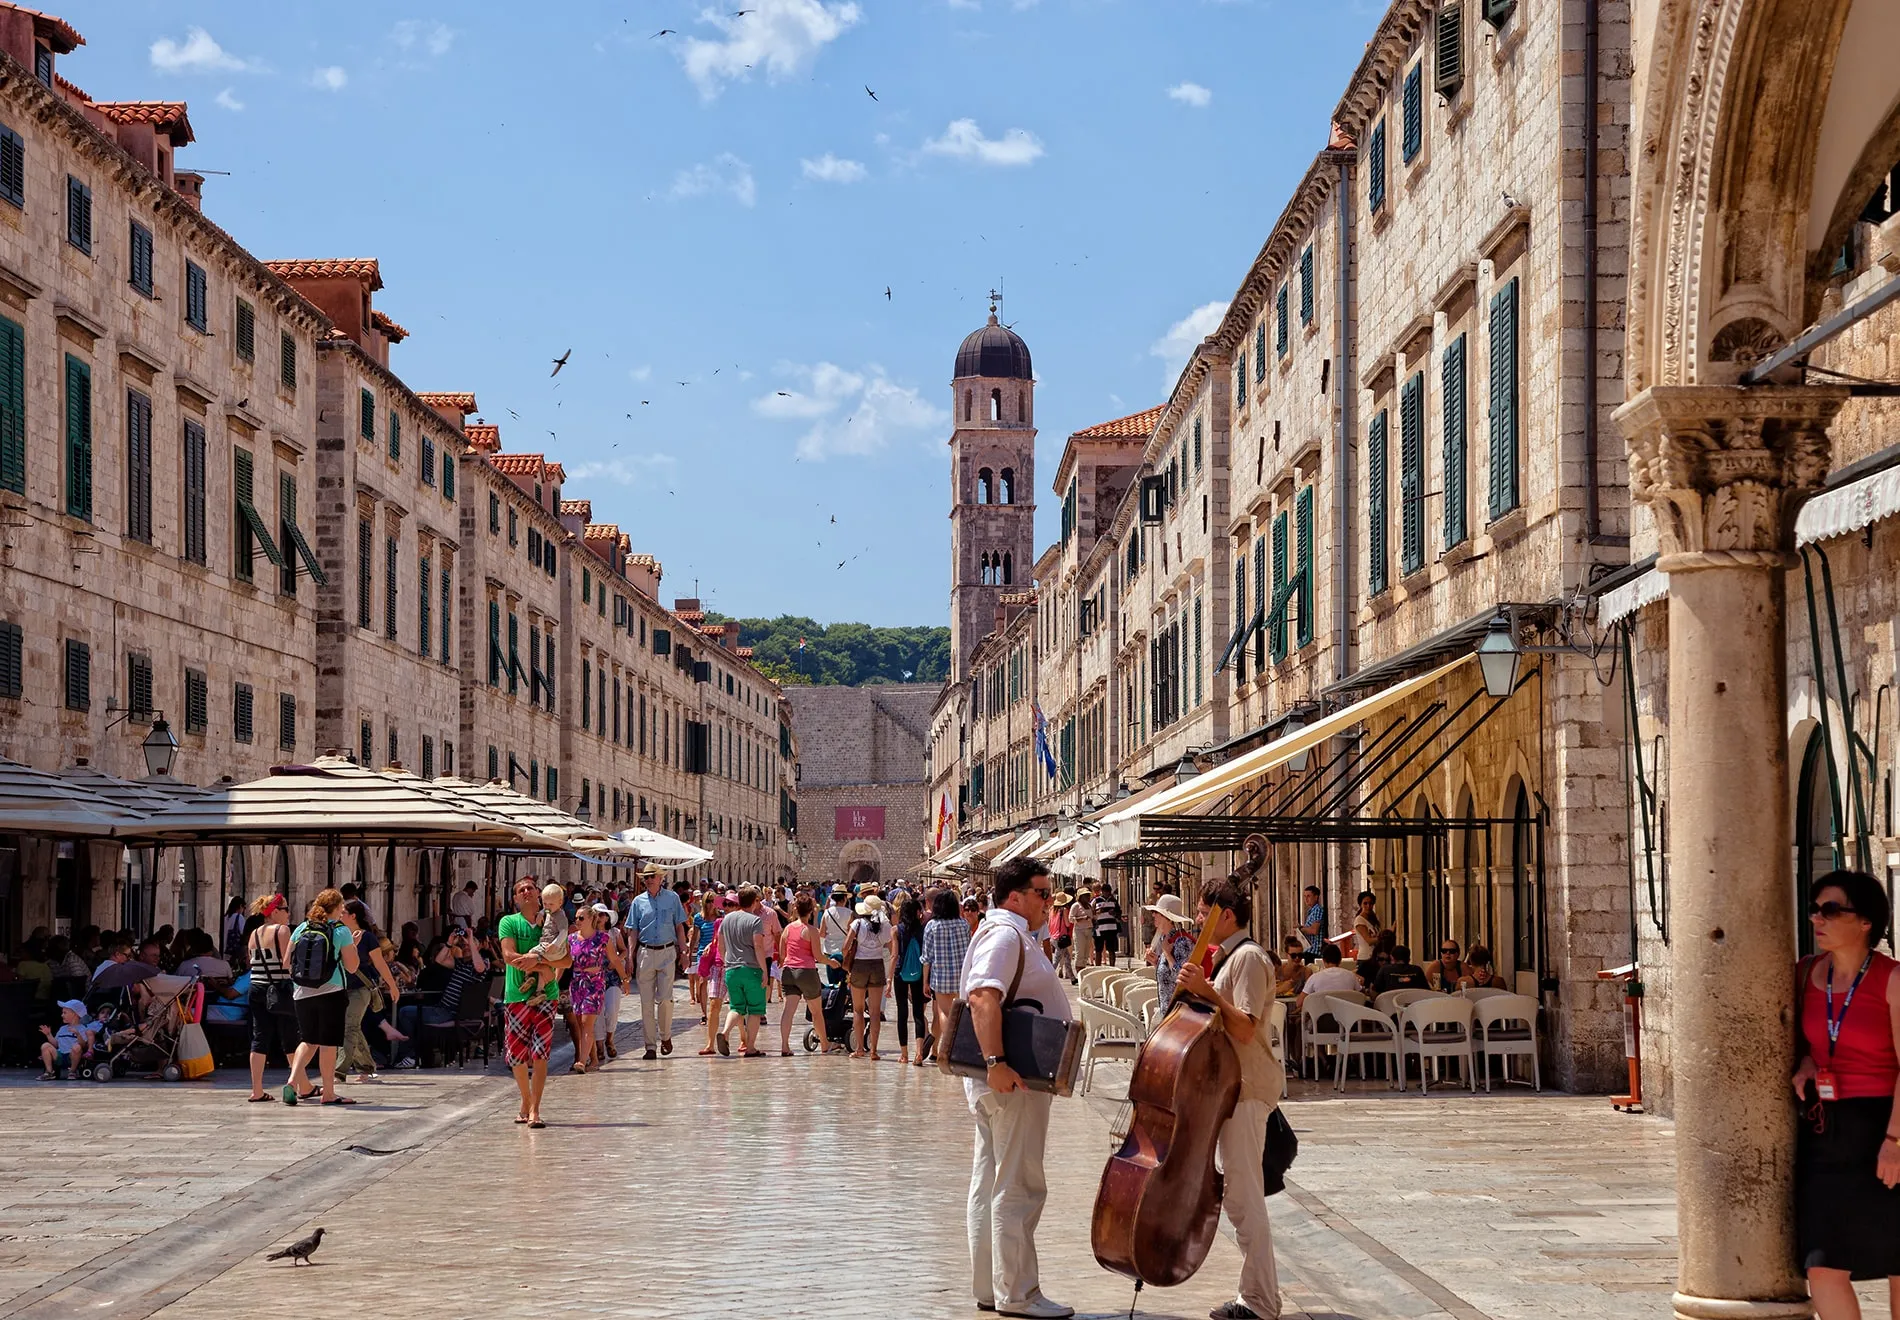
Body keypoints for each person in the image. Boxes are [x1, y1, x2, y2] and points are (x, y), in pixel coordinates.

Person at [961, 857, 1072, 1319]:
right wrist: (996, 1063)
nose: (1049, 902)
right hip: (1013, 1079)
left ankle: (992, 1286)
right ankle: (1018, 1293)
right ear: (1015, 896)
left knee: (990, 1181)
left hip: (1008, 1078)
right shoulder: (1006, 935)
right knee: (1018, 1183)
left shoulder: (1013, 933)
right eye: (1043, 893)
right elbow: (984, 995)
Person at [1175, 878, 1286, 1320]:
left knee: (1243, 1196)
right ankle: (1258, 1295)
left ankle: (1260, 1301)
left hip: (1246, 1089)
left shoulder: (1250, 959)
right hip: (1227, 1090)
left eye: (1203, 913)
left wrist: (1207, 991)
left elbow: (1243, 1027)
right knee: (1241, 1195)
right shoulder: (1229, 959)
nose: (1199, 921)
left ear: (1225, 914)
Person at [1790, 869, 1900, 1312]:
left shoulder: (1892, 979)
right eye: (1815, 909)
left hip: (1885, 1125)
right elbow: (1804, 1042)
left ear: (1866, 921)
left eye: (1831, 910)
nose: (1818, 918)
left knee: (1898, 1259)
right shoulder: (1805, 974)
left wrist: (1894, 1142)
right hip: (1827, 1131)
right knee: (1822, 1264)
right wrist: (1807, 1060)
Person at [499, 877, 567, 1127]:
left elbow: (566, 961)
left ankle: (535, 1110)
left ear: (539, 893)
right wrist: (539, 965)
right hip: (516, 996)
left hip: (546, 997)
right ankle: (526, 1101)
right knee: (517, 1055)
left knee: (540, 1054)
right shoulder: (509, 922)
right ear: (515, 898)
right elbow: (508, 955)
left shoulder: (552, 921)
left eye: (530, 888)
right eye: (521, 890)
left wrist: (539, 965)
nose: (526, 892)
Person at [283, 889, 360, 1106]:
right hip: (331, 991)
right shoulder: (340, 930)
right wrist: (353, 946)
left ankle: (292, 1081)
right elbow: (353, 967)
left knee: (308, 1040)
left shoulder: (301, 928)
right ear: (336, 908)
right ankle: (328, 1093)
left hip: (301, 993)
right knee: (328, 1044)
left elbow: (287, 963)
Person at [628, 865, 690, 1060]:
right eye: (646, 877)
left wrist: (684, 951)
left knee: (665, 998)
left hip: (666, 951)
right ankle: (650, 1046)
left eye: (652, 876)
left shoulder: (672, 899)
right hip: (645, 952)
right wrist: (630, 957)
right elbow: (633, 931)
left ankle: (666, 1036)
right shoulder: (638, 902)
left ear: (660, 878)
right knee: (645, 1002)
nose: (649, 879)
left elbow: (679, 927)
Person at [244, 895, 300, 1102]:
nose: (288, 913)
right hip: (279, 989)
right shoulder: (283, 931)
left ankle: (256, 1090)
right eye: (285, 909)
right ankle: (300, 1085)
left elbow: (250, 963)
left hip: (256, 988)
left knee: (259, 1037)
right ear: (275, 911)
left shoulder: (254, 934)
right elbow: (287, 963)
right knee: (290, 1037)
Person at [340, 900, 400, 1084]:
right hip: (340, 987)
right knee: (351, 1027)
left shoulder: (367, 938)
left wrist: (392, 985)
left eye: (343, 912)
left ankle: (338, 1071)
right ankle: (366, 1067)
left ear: (353, 916)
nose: (340, 914)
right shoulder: (338, 934)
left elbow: (380, 963)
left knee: (349, 1027)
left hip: (360, 988)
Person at [921, 888, 974, 1065]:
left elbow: (927, 957)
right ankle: (956, 1048)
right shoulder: (964, 924)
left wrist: (925, 982)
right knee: (959, 1013)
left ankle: (948, 1048)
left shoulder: (932, 926)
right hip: (962, 976)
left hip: (941, 976)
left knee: (944, 1012)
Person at [718, 887, 771, 1057]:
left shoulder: (726, 919)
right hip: (751, 969)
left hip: (731, 969)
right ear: (755, 901)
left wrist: (726, 961)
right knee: (755, 1010)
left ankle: (725, 1032)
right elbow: (758, 946)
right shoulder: (755, 921)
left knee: (736, 1007)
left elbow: (721, 945)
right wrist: (764, 970)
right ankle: (750, 1047)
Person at [565, 906, 618, 1074]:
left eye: (581, 918)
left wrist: (624, 979)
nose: (577, 921)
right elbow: (566, 962)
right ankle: (594, 1060)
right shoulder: (571, 939)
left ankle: (582, 1060)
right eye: (576, 918)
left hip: (595, 984)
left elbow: (614, 958)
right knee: (582, 1025)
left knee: (587, 1023)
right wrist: (554, 980)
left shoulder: (603, 938)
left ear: (590, 919)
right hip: (577, 983)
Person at [776, 895, 830, 1055]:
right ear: (811, 912)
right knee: (816, 1011)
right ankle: (825, 1045)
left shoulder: (788, 928)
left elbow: (781, 954)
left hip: (788, 971)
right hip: (806, 972)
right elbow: (818, 957)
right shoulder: (811, 931)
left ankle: (785, 1046)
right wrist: (832, 963)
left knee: (788, 1011)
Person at [842, 893, 891, 1060]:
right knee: (875, 1012)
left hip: (860, 965)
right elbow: (890, 946)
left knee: (858, 1009)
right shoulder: (884, 924)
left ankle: (860, 1048)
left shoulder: (857, 923)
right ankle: (874, 1051)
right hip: (877, 965)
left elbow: (845, 946)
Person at [1144, 893, 1198, 1017]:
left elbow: (1181, 978)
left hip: (1180, 1014)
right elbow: (1168, 975)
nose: (1153, 915)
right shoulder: (1166, 939)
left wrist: (1167, 954)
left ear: (1167, 917)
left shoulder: (1182, 942)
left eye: (1157, 913)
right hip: (1168, 1013)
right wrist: (1156, 962)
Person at [890, 895, 929, 1065]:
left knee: (902, 1013)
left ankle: (904, 1054)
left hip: (900, 973)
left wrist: (888, 979)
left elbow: (894, 956)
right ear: (918, 913)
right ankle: (919, 1053)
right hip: (919, 973)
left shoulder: (896, 930)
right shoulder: (924, 930)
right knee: (919, 1013)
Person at [522, 881, 571, 1002]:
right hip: (552, 948)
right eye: (544, 903)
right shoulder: (552, 910)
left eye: (550, 904)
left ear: (560, 902)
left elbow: (564, 931)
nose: (547, 906)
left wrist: (555, 944)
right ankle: (539, 991)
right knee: (543, 966)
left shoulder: (560, 915)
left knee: (531, 953)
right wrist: (542, 913)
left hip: (551, 945)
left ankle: (527, 976)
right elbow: (546, 910)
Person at [594, 904, 628, 1061]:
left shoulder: (614, 933)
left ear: (607, 917)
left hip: (612, 976)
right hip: (594, 977)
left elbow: (623, 950)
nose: (600, 917)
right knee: (598, 1013)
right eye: (597, 914)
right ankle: (600, 1046)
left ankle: (609, 1038)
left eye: (602, 914)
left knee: (612, 1009)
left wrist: (617, 962)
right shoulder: (589, 934)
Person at [39, 999, 97, 1079]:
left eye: (65, 1013)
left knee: (76, 1047)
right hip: (60, 1055)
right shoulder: (62, 1028)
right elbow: (56, 1044)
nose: (62, 1015)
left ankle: (72, 1071)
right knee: (45, 1046)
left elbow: (83, 1046)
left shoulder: (82, 1029)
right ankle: (49, 1072)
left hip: (72, 1057)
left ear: (75, 1014)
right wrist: (49, 1035)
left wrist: (78, 1034)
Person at [1295, 941, 1359, 1012]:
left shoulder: (1314, 978)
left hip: (1321, 1020)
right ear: (1340, 960)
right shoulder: (1351, 976)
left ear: (1323, 960)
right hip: (1348, 1020)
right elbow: (1360, 996)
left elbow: (1299, 1003)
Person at [689, 892, 718, 1018]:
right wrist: (690, 953)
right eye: (708, 901)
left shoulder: (719, 916)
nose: (711, 904)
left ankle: (714, 1009)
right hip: (703, 953)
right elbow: (694, 937)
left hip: (717, 952)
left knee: (717, 982)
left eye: (713, 901)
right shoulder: (698, 918)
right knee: (702, 981)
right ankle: (704, 1013)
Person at [819, 886, 855, 987]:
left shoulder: (827, 912)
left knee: (832, 980)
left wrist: (831, 934)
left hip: (829, 950)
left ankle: (833, 999)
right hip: (845, 950)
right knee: (845, 979)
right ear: (844, 898)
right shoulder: (849, 913)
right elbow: (851, 932)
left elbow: (821, 933)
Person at [1092, 883, 1123, 966]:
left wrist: (1114, 913)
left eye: (1108, 891)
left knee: (1111, 950)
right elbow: (1091, 913)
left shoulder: (1114, 901)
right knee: (1098, 950)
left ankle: (1112, 966)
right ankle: (1097, 968)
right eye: (1105, 891)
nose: (1106, 893)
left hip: (1111, 928)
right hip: (1099, 928)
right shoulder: (1096, 900)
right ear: (1102, 891)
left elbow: (1119, 914)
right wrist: (1098, 912)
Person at [1048, 891, 1075, 983]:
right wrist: (1073, 921)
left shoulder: (1051, 910)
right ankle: (1047, 976)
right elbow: (1067, 924)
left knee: (1067, 957)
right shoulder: (1063, 910)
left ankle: (1072, 978)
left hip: (1053, 937)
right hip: (1061, 938)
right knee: (1056, 960)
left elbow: (1049, 924)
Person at [1350, 890, 1381, 962]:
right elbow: (1369, 940)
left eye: (1371, 903)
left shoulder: (1373, 919)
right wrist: (1383, 936)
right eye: (1365, 903)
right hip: (1365, 958)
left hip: (1374, 957)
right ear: (1360, 905)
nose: (1368, 906)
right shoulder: (1359, 920)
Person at [1069, 888, 1095, 970]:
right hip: (1079, 931)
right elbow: (1071, 918)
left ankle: (1083, 970)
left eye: (1088, 895)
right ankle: (1078, 972)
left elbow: (1093, 917)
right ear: (1080, 897)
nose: (1088, 897)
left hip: (1089, 930)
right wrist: (1082, 918)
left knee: (1086, 953)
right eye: (1086, 895)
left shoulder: (1089, 906)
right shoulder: (1076, 906)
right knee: (1079, 953)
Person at [1299, 886, 1325, 959]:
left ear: (1316, 897)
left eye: (1308, 896)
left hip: (1314, 951)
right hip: (1308, 950)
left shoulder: (1317, 910)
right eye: (1305, 896)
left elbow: (1314, 930)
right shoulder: (1311, 911)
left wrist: (1301, 929)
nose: (1306, 899)